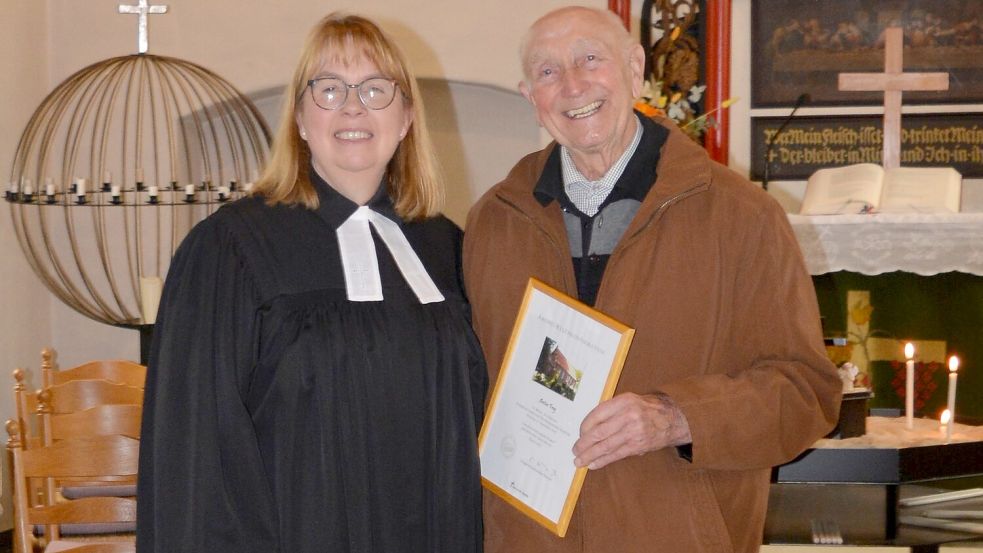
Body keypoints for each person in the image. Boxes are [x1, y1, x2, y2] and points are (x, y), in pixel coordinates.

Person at [463, 6, 841, 553]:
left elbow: (806, 393)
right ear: (530, 97)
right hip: (529, 539)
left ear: (635, 68)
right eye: (547, 72)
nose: (572, 85)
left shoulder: (739, 215)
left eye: (590, 59)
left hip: (673, 535)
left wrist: (678, 418)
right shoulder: (493, 221)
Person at [137, 13, 485, 553]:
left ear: (407, 116)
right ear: (300, 118)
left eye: (376, 89)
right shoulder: (230, 250)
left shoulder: (447, 248)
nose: (352, 107)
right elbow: (196, 452)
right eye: (328, 89)